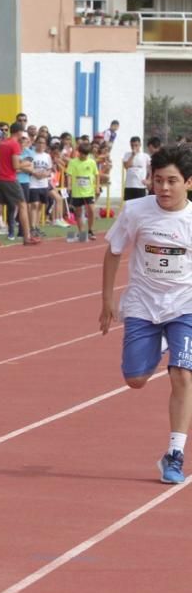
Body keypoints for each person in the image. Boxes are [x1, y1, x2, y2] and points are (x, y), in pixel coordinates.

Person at [100, 146, 192, 484]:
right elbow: (112, 252)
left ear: (188, 183)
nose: (164, 189)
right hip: (142, 303)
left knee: (182, 374)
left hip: (185, 305)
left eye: (172, 181)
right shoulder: (136, 210)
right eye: (158, 181)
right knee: (135, 379)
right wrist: (108, 300)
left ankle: (175, 454)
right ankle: (164, 346)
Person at [0, 122, 40, 246]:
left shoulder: (2, 144)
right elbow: (15, 166)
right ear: (18, 132)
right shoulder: (14, 145)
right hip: (10, 179)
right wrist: (26, 163)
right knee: (23, 205)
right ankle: (27, 236)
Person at [66, 141, 100, 242]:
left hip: (89, 191)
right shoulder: (73, 162)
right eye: (82, 153)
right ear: (78, 152)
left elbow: (97, 175)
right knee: (78, 212)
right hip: (77, 192)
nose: (83, 156)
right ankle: (81, 232)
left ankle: (90, 230)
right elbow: (69, 174)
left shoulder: (92, 162)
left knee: (91, 210)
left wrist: (97, 186)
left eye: (86, 154)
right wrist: (69, 186)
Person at [123, 136, 151, 201]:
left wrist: (149, 180)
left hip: (140, 185)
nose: (134, 147)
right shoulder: (127, 155)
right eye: (132, 145)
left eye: (136, 145)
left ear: (140, 145)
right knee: (129, 206)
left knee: (140, 206)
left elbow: (151, 169)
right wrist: (132, 155)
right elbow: (126, 166)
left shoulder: (145, 156)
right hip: (129, 185)